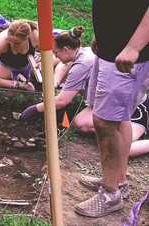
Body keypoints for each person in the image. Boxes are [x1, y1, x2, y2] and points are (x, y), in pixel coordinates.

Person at [74, 1, 148, 218]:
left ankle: (109, 194)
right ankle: (119, 182)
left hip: (128, 56)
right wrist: (102, 35)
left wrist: (134, 47)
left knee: (105, 122)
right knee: (120, 118)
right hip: (113, 49)